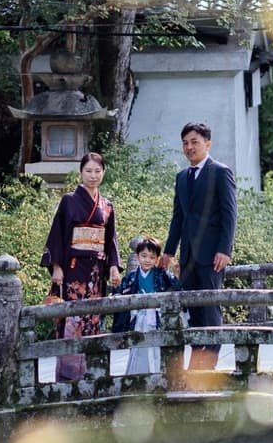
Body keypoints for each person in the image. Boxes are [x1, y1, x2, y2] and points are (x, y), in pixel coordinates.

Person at [160, 121, 237, 371]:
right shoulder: (182, 177)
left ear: (207, 144)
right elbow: (178, 217)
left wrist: (225, 250)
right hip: (188, 256)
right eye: (185, 143)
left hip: (213, 254)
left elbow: (229, 214)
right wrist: (168, 251)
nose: (189, 147)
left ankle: (209, 366)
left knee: (210, 308)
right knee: (192, 310)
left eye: (194, 142)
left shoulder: (220, 172)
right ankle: (196, 362)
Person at [42, 152, 121, 381]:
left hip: (96, 271)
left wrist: (113, 267)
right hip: (73, 269)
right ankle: (68, 375)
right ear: (81, 173)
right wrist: (57, 266)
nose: (93, 176)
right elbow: (57, 234)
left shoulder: (107, 205)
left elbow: (111, 239)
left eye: (97, 171)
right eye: (88, 171)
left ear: (103, 173)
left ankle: (90, 373)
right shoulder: (69, 200)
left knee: (92, 318)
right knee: (72, 319)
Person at [111, 236, 175, 375]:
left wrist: (177, 273)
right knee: (137, 346)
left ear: (157, 259)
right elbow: (121, 293)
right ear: (137, 256)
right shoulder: (131, 277)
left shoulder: (162, 274)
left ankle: (158, 375)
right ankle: (136, 375)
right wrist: (117, 288)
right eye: (144, 256)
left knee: (157, 347)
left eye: (152, 257)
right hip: (137, 317)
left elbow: (175, 287)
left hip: (155, 317)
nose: (147, 260)